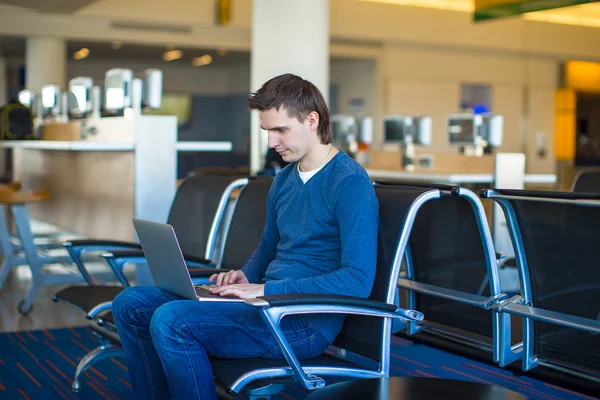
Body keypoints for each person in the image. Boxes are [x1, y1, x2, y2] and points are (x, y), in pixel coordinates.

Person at [112, 73, 379, 400]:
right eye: (268, 131)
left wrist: (264, 289)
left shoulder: (350, 182)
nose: (271, 142)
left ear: (312, 121)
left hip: (302, 322)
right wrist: (244, 277)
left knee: (172, 320)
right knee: (131, 303)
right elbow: (268, 249)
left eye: (281, 130)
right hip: (265, 306)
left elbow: (357, 280)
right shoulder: (284, 180)